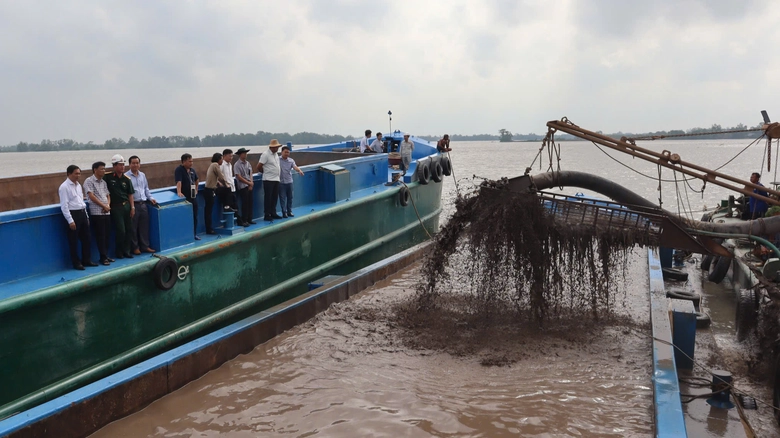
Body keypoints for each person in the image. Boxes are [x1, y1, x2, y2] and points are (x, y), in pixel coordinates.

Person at [59, 165, 95, 270]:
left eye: (79, 173)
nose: (78, 176)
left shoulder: (78, 185)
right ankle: (76, 263)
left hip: (82, 213)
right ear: (69, 174)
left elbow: (81, 201)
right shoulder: (64, 187)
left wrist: (86, 216)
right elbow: (64, 205)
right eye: (76, 173)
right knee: (73, 241)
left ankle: (86, 260)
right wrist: (70, 220)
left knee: (87, 238)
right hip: (73, 214)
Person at [104, 155, 136, 259]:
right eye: (120, 165)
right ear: (114, 166)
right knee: (121, 230)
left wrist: (132, 207)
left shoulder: (126, 179)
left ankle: (127, 251)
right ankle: (119, 252)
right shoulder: (107, 177)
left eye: (123, 165)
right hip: (115, 207)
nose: (123, 167)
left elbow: (130, 194)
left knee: (129, 229)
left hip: (126, 206)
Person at [83, 161, 113, 265]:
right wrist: (103, 206)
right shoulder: (89, 181)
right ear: (95, 170)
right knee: (100, 235)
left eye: (104, 169)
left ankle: (106, 255)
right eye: (101, 169)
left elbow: (108, 195)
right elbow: (91, 196)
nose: (104, 171)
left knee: (107, 235)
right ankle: (102, 257)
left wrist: (108, 206)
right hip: (97, 212)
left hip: (106, 212)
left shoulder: (103, 182)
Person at [127, 155, 157, 255]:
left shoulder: (142, 175)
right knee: (133, 228)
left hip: (143, 204)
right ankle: (135, 247)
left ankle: (145, 246)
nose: (135, 165)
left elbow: (146, 189)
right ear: (129, 164)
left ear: (139, 164)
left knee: (144, 227)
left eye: (137, 163)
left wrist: (151, 198)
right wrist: (131, 207)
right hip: (133, 205)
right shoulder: (126, 177)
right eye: (133, 163)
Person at [204, 153, 232, 234]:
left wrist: (218, 183)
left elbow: (213, 177)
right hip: (209, 191)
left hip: (211, 190)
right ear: (218, 159)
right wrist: (226, 184)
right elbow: (221, 176)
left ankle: (227, 206)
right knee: (208, 211)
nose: (222, 161)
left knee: (208, 211)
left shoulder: (212, 165)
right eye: (221, 159)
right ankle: (209, 229)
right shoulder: (215, 165)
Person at [175, 153, 201, 240]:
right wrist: (179, 191)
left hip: (193, 194)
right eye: (189, 161)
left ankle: (194, 233)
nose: (191, 163)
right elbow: (179, 181)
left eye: (192, 161)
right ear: (184, 161)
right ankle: (186, 235)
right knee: (186, 216)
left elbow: (197, 179)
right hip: (185, 196)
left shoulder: (192, 170)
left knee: (195, 215)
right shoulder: (179, 170)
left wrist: (196, 189)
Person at [258, 139, 283, 221]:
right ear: (271, 147)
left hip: (276, 179)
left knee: (274, 197)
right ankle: (267, 214)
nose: (277, 149)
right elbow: (259, 166)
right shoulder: (265, 154)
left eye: (277, 147)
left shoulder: (276, 155)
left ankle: (273, 212)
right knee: (268, 197)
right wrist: (264, 172)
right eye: (276, 147)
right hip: (268, 179)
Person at [220, 148, 245, 226]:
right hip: (227, 189)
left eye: (232, 156)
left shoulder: (230, 165)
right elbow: (220, 176)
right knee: (230, 207)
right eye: (229, 156)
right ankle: (237, 222)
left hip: (232, 188)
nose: (231, 158)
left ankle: (239, 221)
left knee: (235, 206)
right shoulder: (222, 165)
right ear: (224, 156)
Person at [279, 145, 304, 218]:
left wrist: (299, 171)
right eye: (285, 152)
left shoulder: (291, 160)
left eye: (288, 152)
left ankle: (289, 211)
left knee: (290, 197)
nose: (286, 154)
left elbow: (295, 167)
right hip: (281, 182)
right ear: (281, 152)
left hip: (289, 181)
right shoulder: (277, 160)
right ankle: (284, 212)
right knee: (282, 198)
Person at [234, 147, 255, 225]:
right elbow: (239, 176)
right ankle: (244, 219)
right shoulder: (237, 165)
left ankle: (250, 218)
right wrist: (248, 183)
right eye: (244, 153)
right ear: (240, 155)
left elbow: (250, 173)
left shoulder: (248, 163)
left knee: (250, 202)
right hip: (242, 186)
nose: (245, 155)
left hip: (249, 184)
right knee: (245, 203)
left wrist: (251, 182)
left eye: (246, 153)